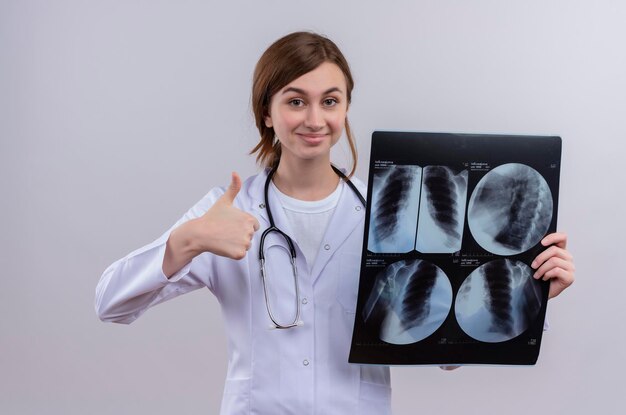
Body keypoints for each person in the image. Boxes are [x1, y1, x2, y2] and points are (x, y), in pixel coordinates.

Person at [95, 31, 575, 414]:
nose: (314, 119)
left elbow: (446, 353)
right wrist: (190, 239)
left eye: (330, 101)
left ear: (346, 108)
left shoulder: (386, 211)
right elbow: (110, 304)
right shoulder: (228, 212)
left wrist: (531, 293)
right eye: (295, 100)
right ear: (266, 111)